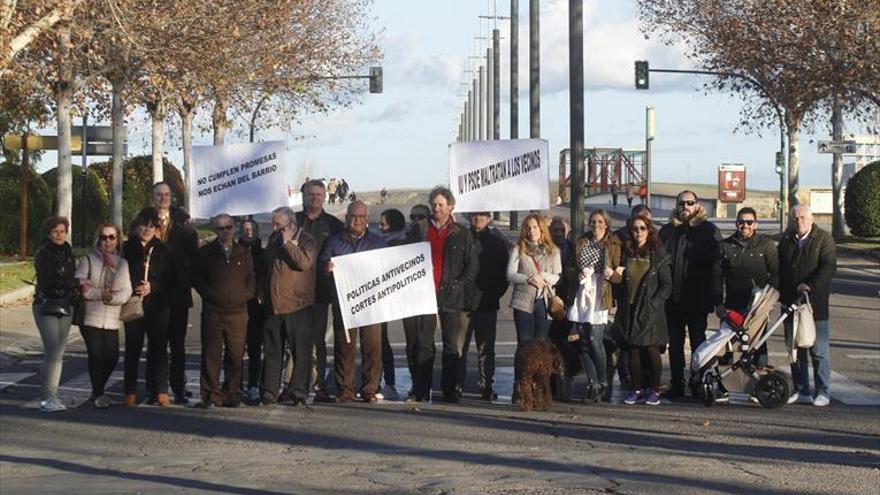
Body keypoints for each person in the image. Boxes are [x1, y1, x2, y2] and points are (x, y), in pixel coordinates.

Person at [410, 187, 479, 403]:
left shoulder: (462, 233)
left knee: (451, 344)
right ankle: (421, 389)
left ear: (451, 206)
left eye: (441, 204)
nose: (437, 208)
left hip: (451, 296)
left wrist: (459, 285)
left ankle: (449, 390)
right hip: (425, 294)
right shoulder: (419, 230)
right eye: (434, 204)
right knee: (424, 344)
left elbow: (472, 266)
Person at [320, 201, 386, 403]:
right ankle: (345, 388)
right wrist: (326, 267)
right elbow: (321, 263)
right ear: (347, 218)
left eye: (361, 217)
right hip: (345, 302)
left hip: (371, 302)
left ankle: (369, 389)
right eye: (353, 216)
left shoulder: (377, 242)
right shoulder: (334, 241)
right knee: (345, 346)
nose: (357, 220)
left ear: (367, 220)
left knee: (373, 347)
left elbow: (386, 266)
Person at [659, 191, 722, 399]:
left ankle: (698, 382)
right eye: (682, 203)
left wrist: (716, 297)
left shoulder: (708, 230)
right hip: (673, 300)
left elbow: (716, 267)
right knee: (674, 345)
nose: (686, 206)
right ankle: (677, 383)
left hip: (697, 299)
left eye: (690, 203)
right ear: (676, 206)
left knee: (698, 343)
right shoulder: (667, 231)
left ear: (697, 205)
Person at [193, 214, 255, 408]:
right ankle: (210, 394)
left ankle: (232, 393)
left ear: (234, 229)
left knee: (236, 355)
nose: (225, 231)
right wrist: (208, 294)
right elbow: (197, 277)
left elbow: (251, 277)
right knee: (211, 355)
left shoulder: (243, 252)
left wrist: (246, 295)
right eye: (220, 228)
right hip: (213, 311)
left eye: (228, 227)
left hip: (238, 312)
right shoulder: (206, 252)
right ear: (215, 230)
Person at [258, 206, 317, 406]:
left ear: (290, 224)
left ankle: (298, 391)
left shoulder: (307, 239)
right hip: (274, 305)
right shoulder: (274, 239)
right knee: (273, 351)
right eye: (273, 224)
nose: (274, 228)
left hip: (298, 305)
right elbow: (267, 266)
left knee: (301, 352)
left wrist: (289, 243)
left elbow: (303, 263)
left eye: (279, 225)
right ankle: (269, 391)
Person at [778, 205, 836, 407]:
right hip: (790, 303)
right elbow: (779, 269)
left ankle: (823, 391)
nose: (799, 221)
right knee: (795, 349)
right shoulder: (786, 240)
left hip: (815, 305)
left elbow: (828, 267)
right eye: (795, 218)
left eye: (803, 217)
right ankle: (801, 388)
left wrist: (810, 286)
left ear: (811, 219)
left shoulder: (823, 239)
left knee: (818, 349)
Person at [293, 179, 345, 402]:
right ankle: (293, 384)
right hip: (294, 292)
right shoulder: (293, 221)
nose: (315, 198)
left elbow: (343, 254)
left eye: (318, 195)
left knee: (317, 341)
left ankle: (319, 384)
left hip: (320, 293)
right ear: (304, 196)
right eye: (311, 194)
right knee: (294, 340)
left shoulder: (333, 225)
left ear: (325, 197)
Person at [613, 215, 672, 406]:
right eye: (634, 229)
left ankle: (653, 389)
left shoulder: (658, 253)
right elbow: (620, 279)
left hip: (650, 309)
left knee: (652, 349)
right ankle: (636, 388)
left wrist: (654, 303)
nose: (638, 232)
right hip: (629, 307)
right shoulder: (626, 252)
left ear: (649, 230)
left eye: (642, 228)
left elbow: (666, 285)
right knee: (634, 350)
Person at [565, 209, 622, 402]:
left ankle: (603, 382)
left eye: (600, 222)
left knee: (594, 339)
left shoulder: (614, 243)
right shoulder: (581, 241)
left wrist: (610, 274)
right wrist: (577, 274)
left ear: (606, 224)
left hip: (601, 293)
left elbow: (620, 276)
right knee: (583, 342)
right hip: (582, 293)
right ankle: (592, 383)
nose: (596, 226)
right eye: (593, 222)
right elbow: (570, 268)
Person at [150, 182, 198, 405]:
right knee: (157, 343)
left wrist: (192, 233)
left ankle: (179, 387)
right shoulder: (144, 219)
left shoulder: (182, 221)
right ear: (153, 198)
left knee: (178, 344)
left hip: (178, 292)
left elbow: (192, 255)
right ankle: (156, 389)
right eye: (159, 195)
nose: (163, 198)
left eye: (167, 194)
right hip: (155, 293)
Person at [75, 223, 132, 409]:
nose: (108, 241)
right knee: (96, 355)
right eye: (104, 237)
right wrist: (101, 294)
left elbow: (126, 291)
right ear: (98, 239)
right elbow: (83, 287)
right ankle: (99, 393)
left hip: (112, 317)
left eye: (112, 237)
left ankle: (97, 390)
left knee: (112, 356)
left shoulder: (122, 263)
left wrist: (112, 298)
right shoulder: (88, 260)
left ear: (118, 240)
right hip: (90, 317)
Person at [122, 207, 173, 407]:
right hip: (134, 303)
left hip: (158, 305)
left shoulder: (163, 249)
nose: (148, 229)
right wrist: (135, 287)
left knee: (159, 348)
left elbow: (171, 277)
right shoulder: (126, 249)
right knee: (132, 348)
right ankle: (130, 391)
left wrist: (154, 286)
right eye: (144, 225)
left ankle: (160, 390)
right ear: (136, 226)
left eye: (152, 226)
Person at [507, 213, 561, 399]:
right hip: (523, 302)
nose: (531, 231)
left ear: (541, 229)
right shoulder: (518, 249)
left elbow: (557, 276)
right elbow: (510, 275)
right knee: (524, 346)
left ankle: (539, 387)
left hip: (543, 302)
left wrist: (544, 277)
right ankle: (520, 387)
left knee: (540, 347)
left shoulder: (552, 251)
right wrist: (528, 279)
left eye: (535, 227)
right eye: (528, 228)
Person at [718, 207, 779, 369]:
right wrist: (718, 304)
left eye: (749, 222)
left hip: (757, 307)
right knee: (726, 347)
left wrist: (768, 299)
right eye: (741, 222)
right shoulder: (725, 246)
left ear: (755, 224)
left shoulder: (766, 245)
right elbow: (716, 277)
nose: (745, 225)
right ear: (736, 223)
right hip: (732, 305)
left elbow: (776, 273)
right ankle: (725, 382)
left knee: (758, 345)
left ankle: (759, 380)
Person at [32, 216, 79, 412]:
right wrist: (73, 283)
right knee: (52, 351)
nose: (59, 235)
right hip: (47, 304)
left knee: (58, 352)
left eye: (62, 231)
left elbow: (72, 274)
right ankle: (47, 398)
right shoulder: (43, 253)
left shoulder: (68, 251)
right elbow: (48, 279)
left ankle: (51, 394)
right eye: (55, 231)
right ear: (48, 233)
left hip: (66, 303)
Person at [461, 212, 510, 400]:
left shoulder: (497, 244)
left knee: (486, 348)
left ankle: (486, 384)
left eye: (482, 214)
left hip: (487, 302)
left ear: (489, 218)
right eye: (475, 214)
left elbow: (503, 276)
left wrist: (494, 294)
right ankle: (457, 384)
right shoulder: (462, 239)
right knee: (460, 348)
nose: (478, 218)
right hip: (463, 303)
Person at [401, 204, 437, 402]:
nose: (416, 220)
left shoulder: (434, 237)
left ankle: (424, 386)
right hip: (408, 298)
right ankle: (416, 383)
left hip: (428, 297)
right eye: (412, 216)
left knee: (425, 344)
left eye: (421, 216)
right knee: (411, 344)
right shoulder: (405, 239)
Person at [376, 208, 409, 400]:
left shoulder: (403, 243)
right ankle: (383, 382)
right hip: (381, 298)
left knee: (412, 342)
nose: (380, 227)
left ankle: (390, 383)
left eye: (384, 223)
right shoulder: (377, 243)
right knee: (380, 342)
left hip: (402, 297)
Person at [547, 216, 577, 400]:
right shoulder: (545, 250)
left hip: (567, 304)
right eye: (555, 230)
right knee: (548, 344)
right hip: (547, 301)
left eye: (562, 230)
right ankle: (550, 385)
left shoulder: (574, 250)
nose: (558, 233)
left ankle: (565, 383)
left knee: (565, 347)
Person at [238, 219, 265, 402]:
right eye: (245, 229)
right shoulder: (234, 251)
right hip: (237, 304)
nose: (248, 232)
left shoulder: (262, 254)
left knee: (255, 348)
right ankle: (235, 384)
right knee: (236, 348)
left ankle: (254, 384)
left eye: (251, 229)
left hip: (256, 305)